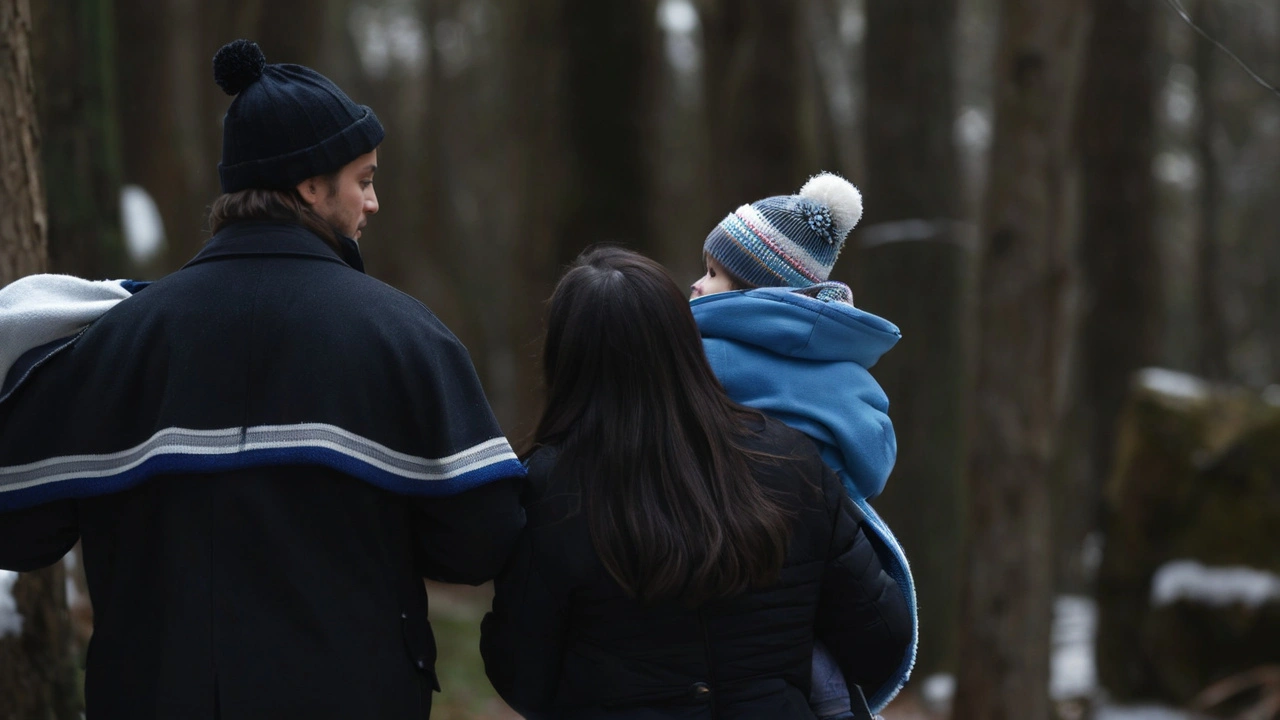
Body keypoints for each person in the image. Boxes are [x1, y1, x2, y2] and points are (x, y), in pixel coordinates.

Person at [0, 39, 525, 719]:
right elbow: (481, 539)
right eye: (363, 179)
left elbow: (21, 530)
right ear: (310, 185)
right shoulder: (404, 336)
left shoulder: (119, 339)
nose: (374, 202)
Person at [480, 246, 910, 719]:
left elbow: (519, 670)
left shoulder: (550, 488)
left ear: (565, 356)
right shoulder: (791, 459)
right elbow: (880, 636)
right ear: (685, 335)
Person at [689, 172, 917, 715]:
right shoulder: (847, 377)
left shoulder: (706, 361)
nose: (697, 285)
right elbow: (871, 462)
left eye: (715, 274)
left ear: (756, 294)